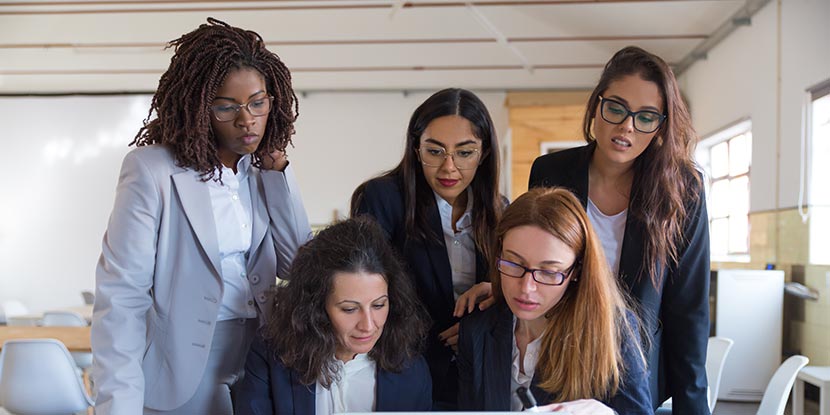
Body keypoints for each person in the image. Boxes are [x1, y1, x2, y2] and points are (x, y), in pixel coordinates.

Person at [91, 18, 312, 415]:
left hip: (261, 362)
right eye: (226, 107)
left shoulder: (263, 173)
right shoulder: (152, 170)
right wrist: (117, 406)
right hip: (179, 372)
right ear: (197, 105)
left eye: (258, 103)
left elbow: (300, 264)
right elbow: (122, 297)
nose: (247, 120)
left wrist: (280, 175)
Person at [529, 46, 710, 413]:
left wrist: (693, 407)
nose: (627, 126)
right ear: (597, 105)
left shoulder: (682, 189)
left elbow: (688, 308)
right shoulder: (551, 172)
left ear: (661, 125)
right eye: (616, 108)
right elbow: (533, 257)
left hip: (636, 369)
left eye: (646, 117)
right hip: (561, 358)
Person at [350, 88, 504, 408]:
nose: (448, 168)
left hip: (479, 373)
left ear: (484, 152)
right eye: (435, 151)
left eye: (465, 152)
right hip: (405, 366)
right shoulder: (383, 198)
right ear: (416, 148)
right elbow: (367, 289)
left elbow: (517, 294)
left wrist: (482, 319)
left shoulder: (501, 210)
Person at [457, 187, 651, 414]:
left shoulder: (614, 332)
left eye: (549, 272)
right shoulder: (477, 330)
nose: (526, 288)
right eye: (513, 264)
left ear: (577, 270)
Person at [233, 218, 432, 414]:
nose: (369, 325)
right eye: (349, 309)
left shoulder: (411, 369)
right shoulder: (271, 353)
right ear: (316, 306)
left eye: (379, 305)